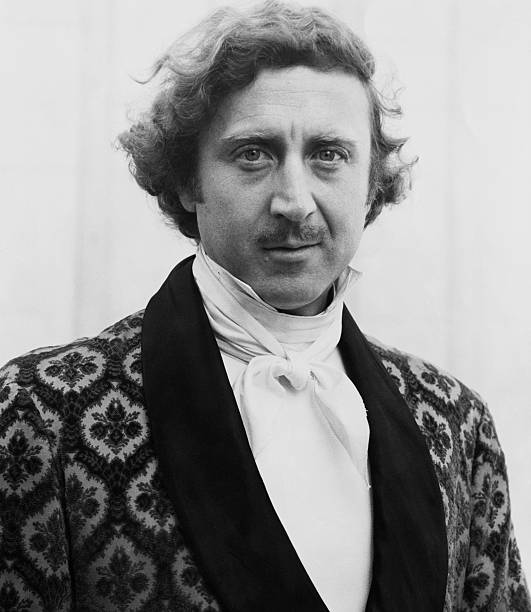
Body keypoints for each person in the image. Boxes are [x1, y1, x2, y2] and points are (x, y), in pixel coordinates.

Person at [0, 2, 529, 611]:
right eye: (254, 153)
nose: (294, 201)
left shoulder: (457, 423)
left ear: (371, 185)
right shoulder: (42, 414)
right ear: (188, 181)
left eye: (329, 154)